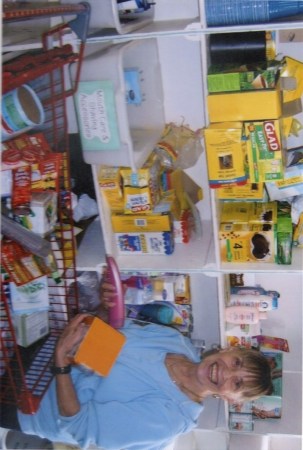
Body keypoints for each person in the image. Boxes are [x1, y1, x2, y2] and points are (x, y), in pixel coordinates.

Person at [1, 274, 273, 450]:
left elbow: (78, 425)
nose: (226, 372)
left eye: (236, 383)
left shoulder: (167, 421)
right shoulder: (175, 342)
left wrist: (61, 364)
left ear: (228, 399)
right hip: (35, 345)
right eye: (236, 362)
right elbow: (106, 333)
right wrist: (106, 306)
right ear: (227, 349)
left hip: (26, 399)